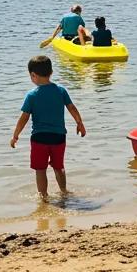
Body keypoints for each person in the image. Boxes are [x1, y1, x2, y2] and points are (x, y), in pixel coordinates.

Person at [10, 54, 86, 200]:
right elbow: (72, 108)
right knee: (59, 167)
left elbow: (24, 118)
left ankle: (43, 197)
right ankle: (64, 191)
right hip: (58, 137)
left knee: (40, 169)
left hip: (39, 138)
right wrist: (80, 123)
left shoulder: (31, 95)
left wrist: (15, 135)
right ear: (51, 72)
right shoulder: (61, 90)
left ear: (33, 75)